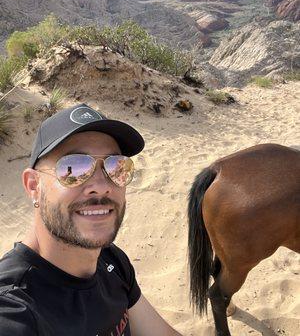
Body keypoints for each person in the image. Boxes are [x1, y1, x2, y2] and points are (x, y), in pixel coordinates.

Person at [0, 103, 183, 336]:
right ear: (34, 186)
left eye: (116, 167)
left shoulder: (110, 260)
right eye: (73, 167)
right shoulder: (15, 311)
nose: (102, 187)